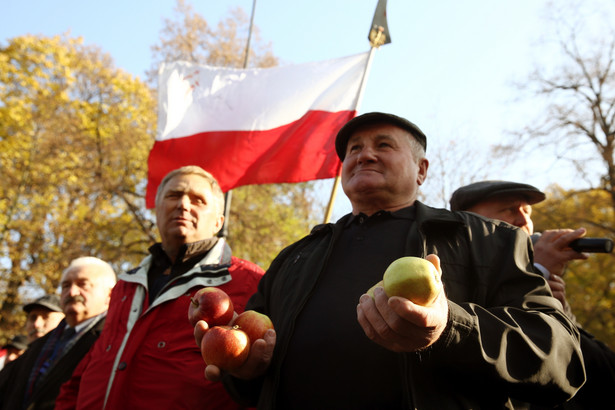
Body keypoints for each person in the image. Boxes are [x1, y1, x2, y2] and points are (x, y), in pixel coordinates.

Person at [196, 112, 585, 409]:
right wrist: (243, 366)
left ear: (421, 170)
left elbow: (563, 358)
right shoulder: (291, 259)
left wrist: (451, 327)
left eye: (384, 145)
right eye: (354, 149)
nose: (365, 154)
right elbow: (249, 377)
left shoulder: (489, 240)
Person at [56, 166, 265, 410]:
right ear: (157, 211)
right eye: (174, 195)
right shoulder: (124, 286)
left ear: (219, 221)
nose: (184, 205)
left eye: (198, 200)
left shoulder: (251, 281)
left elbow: (260, 383)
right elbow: (92, 365)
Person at [450, 180, 615, 409]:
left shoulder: (549, 288)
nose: (523, 220)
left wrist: (559, 312)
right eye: (509, 209)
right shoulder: (448, 280)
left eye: (527, 211)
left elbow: (599, 375)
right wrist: (535, 275)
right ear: (467, 220)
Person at [0, 256, 117, 410]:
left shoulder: (114, 342)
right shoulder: (41, 343)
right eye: (66, 286)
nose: (72, 292)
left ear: (109, 295)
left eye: (83, 284)